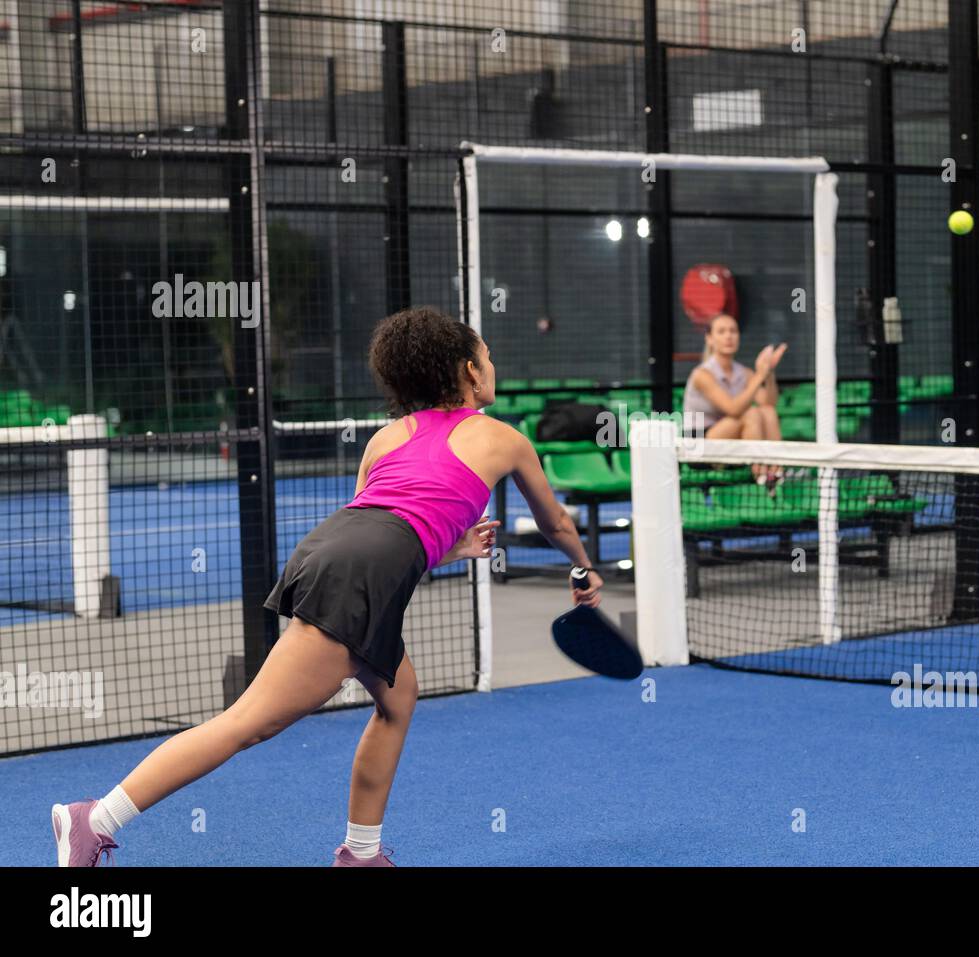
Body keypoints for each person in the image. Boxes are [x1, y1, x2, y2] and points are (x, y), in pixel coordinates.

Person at [51, 306, 602, 867]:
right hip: (357, 576)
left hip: (337, 554)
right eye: (487, 356)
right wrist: (583, 571)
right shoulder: (503, 438)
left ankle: (361, 854)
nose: (492, 364)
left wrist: (452, 547)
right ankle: (94, 819)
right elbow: (555, 523)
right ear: (467, 370)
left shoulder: (386, 439)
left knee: (398, 697)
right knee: (248, 723)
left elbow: (379, 522)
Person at [680, 313, 787, 483]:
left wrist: (768, 373)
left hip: (732, 437)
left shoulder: (744, 372)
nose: (728, 336)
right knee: (750, 413)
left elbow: (769, 403)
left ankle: (776, 473)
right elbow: (733, 409)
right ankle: (761, 475)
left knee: (766, 412)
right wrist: (759, 375)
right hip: (699, 445)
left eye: (733, 331)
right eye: (721, 332)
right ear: (709, 338)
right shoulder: (702, 375)